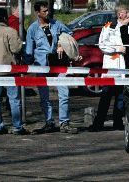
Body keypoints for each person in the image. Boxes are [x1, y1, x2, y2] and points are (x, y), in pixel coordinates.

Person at [25, 1, 77, 134]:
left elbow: (70, 33)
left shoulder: (57, 24)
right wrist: (27, 67)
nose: (47, 13)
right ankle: (49, 121)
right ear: (38, 13)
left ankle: (64, 122)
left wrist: (61, 43)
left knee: (64, 93)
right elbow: (29, 50)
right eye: (44, 11)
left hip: (58, 64)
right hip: (41, 66)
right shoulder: (32, 29)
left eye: (48, 10)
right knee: (44, 96)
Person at [0, 9, 29, 135]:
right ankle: (17, 127)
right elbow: (16, 48)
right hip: (9, 70)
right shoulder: (10, 31)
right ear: (4, 18)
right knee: (14, 99)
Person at [89, 5, 128, 132]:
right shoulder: (108, 26)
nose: (124, 15)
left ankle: (118, 122)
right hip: (111, 65)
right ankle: (98, 123)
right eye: (122, 12)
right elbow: (102, 45)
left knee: (120, 98)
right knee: (105, 96)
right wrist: (117, 49)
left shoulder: (128, 27)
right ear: (118, 14)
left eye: (126, 12)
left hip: (123, 67)